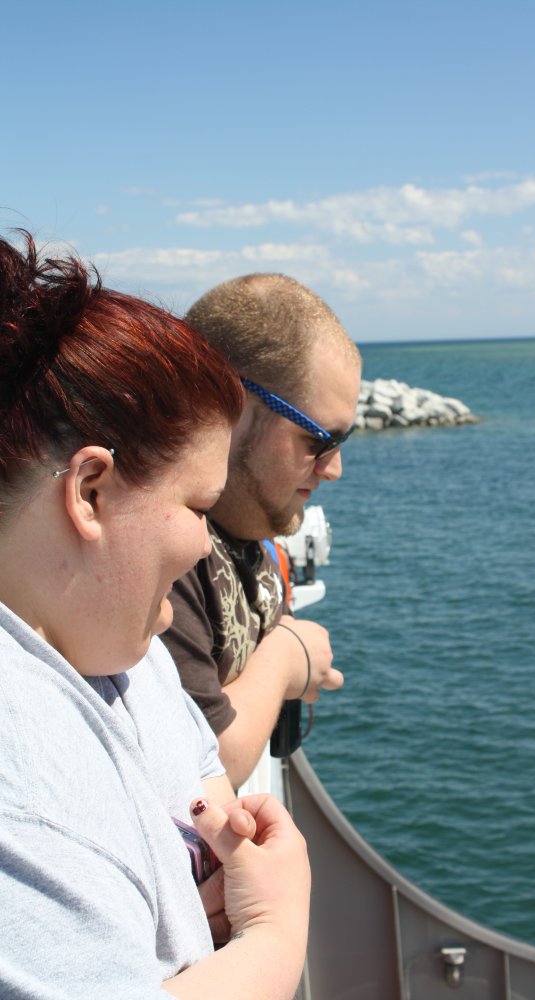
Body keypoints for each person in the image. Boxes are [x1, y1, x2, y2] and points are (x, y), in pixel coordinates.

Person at [0, 233, 310, 1000]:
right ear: (92, 491)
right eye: (198, 507)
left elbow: (199, 773)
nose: (207, 543)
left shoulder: (119, 645)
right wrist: (274, 935)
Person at [162, 274, 361, 789]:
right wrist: (286, 660)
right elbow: (198, 767)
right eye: (319, 441)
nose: (333, 468)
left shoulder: (251, 523)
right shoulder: (165, 550)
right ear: (230, 403)